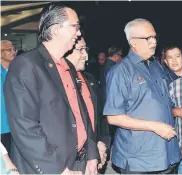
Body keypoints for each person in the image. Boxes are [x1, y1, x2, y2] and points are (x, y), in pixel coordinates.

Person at [4, 3, 98, 174]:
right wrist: (58, 169)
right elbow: (25, 126)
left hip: (78, 162)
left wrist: (91, 153)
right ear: (55, 30)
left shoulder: (68, 65)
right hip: (52, 168)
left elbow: (82, 113)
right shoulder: (26, 65)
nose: (78, 32)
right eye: (75, 26)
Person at [103, 18, 181, 174]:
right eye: (148, 38)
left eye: (154, 37)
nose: (153, 42)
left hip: (167, 154)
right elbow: (114, 117)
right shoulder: (121, 71)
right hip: (140, 159)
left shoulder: (156, 66)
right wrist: (155, 126)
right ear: (133, 42)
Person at [66, 37, 111, 171]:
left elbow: (101, 117)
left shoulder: (89, 79)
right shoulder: (55, 84)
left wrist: (102, 144)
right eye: (80, 50)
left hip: (94, 152)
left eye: (86, 49)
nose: (85, 55)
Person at [1, 40, 16, 154]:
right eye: (9, 50)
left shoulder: (16, 71)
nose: (13, 52)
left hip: (16, 125)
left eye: (13, 49)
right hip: (3, 127)